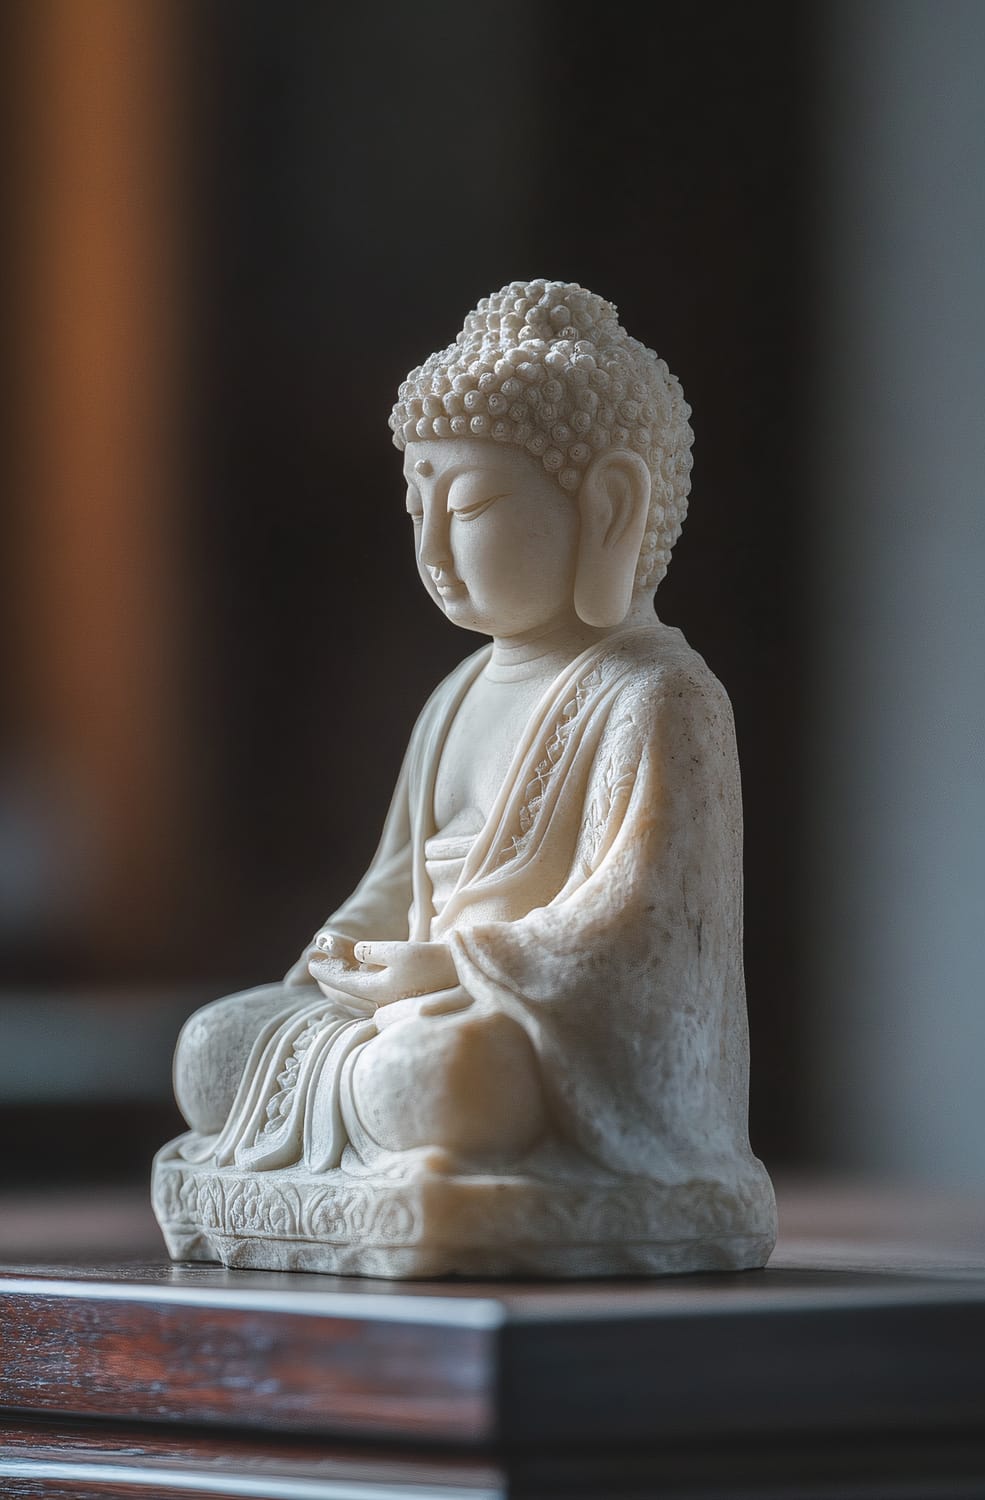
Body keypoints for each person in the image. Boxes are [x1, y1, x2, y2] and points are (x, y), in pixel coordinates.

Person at [156, 280, 776, 1275]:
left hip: (532, 1033)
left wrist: (451, 968)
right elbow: (394, 882)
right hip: (410, 1004)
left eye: (474, 505)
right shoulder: (455, 694)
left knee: (435, 1077)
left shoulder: (656, 697)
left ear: (609, 508)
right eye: (416, 508)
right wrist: (348, 956)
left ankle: (432, 1144)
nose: (434, 550)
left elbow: (638, 928)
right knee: (214, 1050)